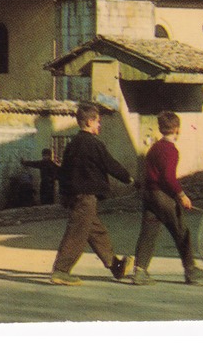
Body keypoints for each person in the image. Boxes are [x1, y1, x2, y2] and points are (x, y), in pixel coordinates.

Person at [50, 101, 133, 286]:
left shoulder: (72, 144)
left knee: (96, 231)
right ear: (88, 122)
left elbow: (63, 172)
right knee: (77, 233)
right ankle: (61, 271)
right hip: (85, 197)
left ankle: (115, 266)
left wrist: (64, 195)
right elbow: (110, 164)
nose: (99, 125)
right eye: (97, 122)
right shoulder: (93, 144)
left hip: (76, 196)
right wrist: (128, 178)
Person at [131, 111, 203, 285]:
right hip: (160, 195)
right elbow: (168, 178)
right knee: (181, 229)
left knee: (148, 232)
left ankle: (139, 271)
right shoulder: (171, 150)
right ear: (176, 129)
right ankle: (191, 270)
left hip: (148, 194)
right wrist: (181, 196)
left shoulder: (155, 147)